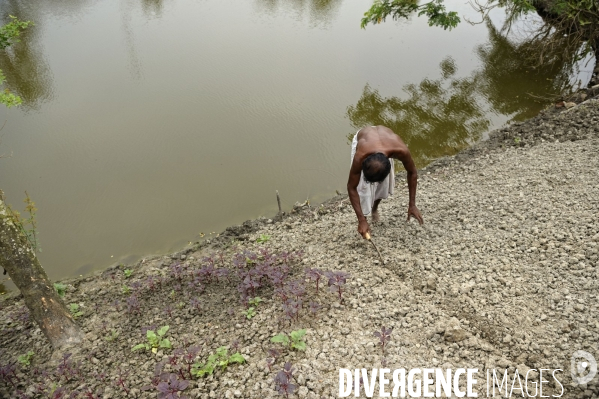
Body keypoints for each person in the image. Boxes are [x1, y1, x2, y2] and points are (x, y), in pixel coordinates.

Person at [347, 125, 423, 238]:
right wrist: (361, 220)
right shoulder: (360, 156)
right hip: (365, 138)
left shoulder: (401, 151)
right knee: (362, 190)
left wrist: (412, 204)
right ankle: (365, 220)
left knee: (383, 187)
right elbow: (351, 187)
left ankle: (374, 209)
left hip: (386, 142)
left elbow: (412, 173)